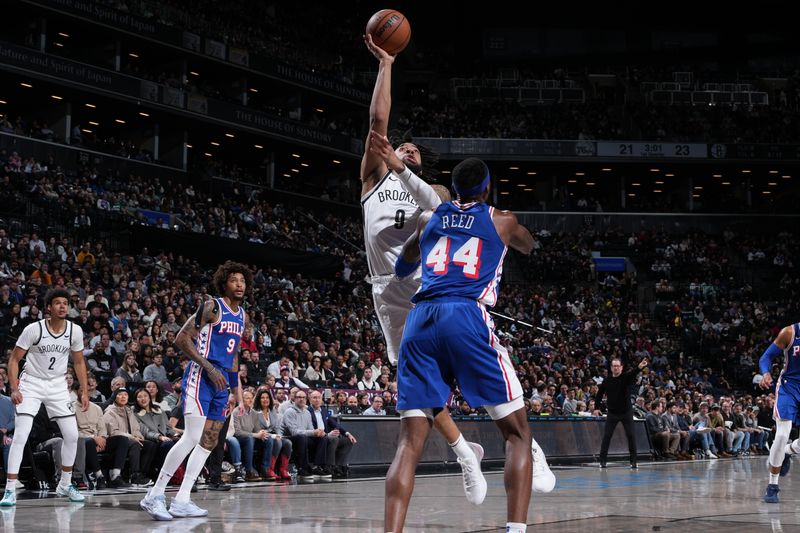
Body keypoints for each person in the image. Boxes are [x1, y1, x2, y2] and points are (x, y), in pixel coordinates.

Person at [360, 35, 553, 505]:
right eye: (399, 148)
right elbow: (377, 123)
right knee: (419, 387)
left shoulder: (441, 201)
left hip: (433, 289)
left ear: (425, 168)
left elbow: (478, 227)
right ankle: (465, 451)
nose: (405, 149)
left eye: (414, 151)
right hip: (390, 291)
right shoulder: (371, 180)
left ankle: (530, 449)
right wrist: (387, 65)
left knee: (465, 373)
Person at [382, 156, 535, 533]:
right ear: (486, 188)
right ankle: (516, 529)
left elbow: (403, 267)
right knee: (517, 433)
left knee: (409, 442)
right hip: (465, 315)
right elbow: (529, 246)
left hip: (420, 320)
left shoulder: (427, 218)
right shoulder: (503, 219)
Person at [139, 261, 249, 520]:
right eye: (234, 280)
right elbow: (181, 339)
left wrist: (237, 392)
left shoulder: (242, 315)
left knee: (208, 442)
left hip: (222, 385)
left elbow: (233, 357)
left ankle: (182, 499)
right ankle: (154, 495)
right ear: (224, 283)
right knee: (191, 437)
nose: (239, 284)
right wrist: (209, 368)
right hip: (201, 377)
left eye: (242, 280)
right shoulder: (212, 306)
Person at [1, 288, 89, 506]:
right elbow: (14, 360)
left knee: (71, 435)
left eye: (65, 303)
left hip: (58, 384)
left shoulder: (74, 331)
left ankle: (65, 483)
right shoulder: (34, 329)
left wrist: (84, 391)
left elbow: (78, 362)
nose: (62, 306)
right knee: (21, 435)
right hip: (31, 383)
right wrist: (14, 388)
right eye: (57, 302)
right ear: (48, 307)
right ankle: (10, 489)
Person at [759, 322, 800, 503]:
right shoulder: (790, 332)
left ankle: (787, 451)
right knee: (782, 434)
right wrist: (766, 373)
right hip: (789, 387)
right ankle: (772, 486)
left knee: (787, 444)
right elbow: (765, 357)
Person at [596, 357, 648, 469]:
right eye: (613, 366)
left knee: (631, 435)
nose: (615, 368)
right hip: (612, 413)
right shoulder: (607, 381)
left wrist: (640, 367)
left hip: (626, 412)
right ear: (611, 368)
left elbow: (632, 374)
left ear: (621, 367)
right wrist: (596, 407)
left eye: (617, 366)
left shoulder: (625, 378)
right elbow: (599, 394)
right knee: (607, 436)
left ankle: (633, 461)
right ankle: (602, 461)